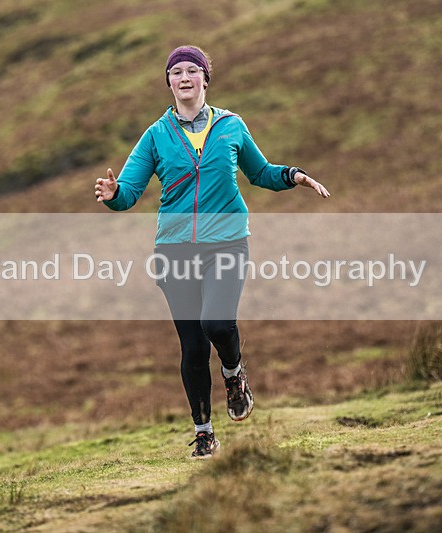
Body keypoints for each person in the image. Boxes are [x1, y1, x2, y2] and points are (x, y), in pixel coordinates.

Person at [95, 45, 329, 459]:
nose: (184, 78)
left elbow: (260, 173)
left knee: (217, 323)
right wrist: (114, 195)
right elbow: (129, 191)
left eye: (192, 71)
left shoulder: (231, 126)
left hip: (227, 242)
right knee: (193, 347)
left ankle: (235, 374)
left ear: (205, 78)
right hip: (174, 250)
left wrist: (293, 175)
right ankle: (204, 432)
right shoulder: (155, 136)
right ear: (168, 82)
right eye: (176, 72)